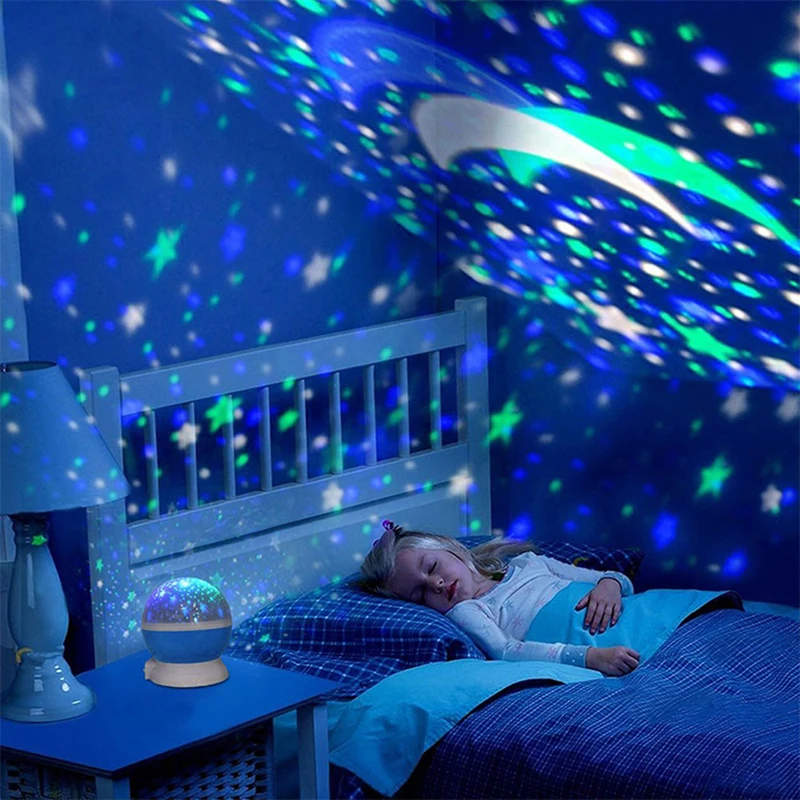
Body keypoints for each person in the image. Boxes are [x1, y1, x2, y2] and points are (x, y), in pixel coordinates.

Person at [359, 521, 743, 678]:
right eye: (421, 591)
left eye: (432, 567)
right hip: (594, 645)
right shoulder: (468, 611)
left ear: (451, 548)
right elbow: (509, 651)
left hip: (635, 612)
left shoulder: (528, 564)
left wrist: (609, 587)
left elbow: (611, 577)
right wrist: (589, 658)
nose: (437, 583)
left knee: (709, 634)